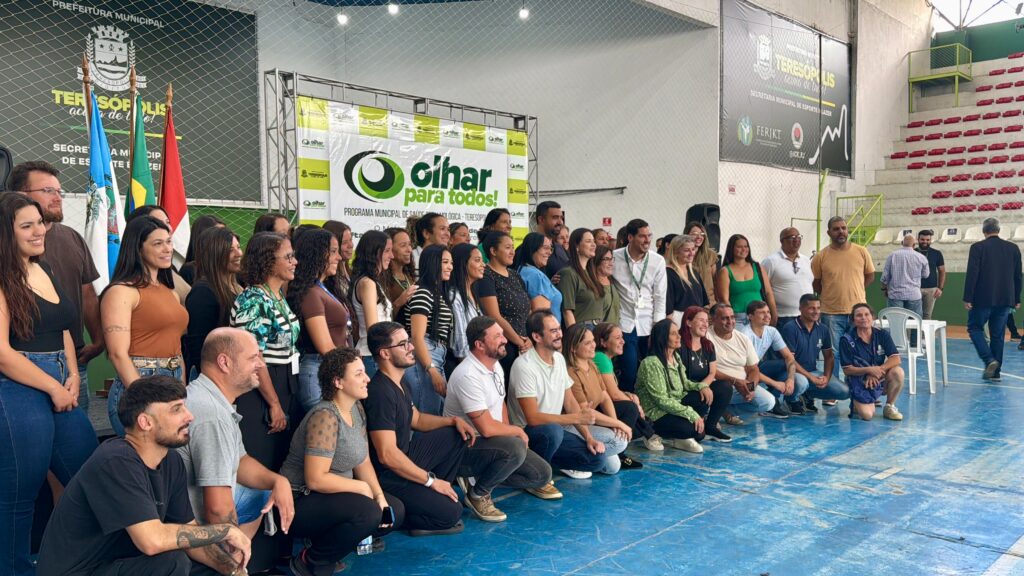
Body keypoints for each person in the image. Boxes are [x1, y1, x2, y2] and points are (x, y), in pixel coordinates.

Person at [37, 376, 252, 576]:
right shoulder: (115, 461)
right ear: (145, 422)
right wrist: (224, 531)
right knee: (172, 562)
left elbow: (190, 536)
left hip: (122, 565)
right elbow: (152, 541)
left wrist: (233, 571)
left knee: (210, 566)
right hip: (81, 571)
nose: (189, 416)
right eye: (176, 409)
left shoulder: (171, 460)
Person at [0, 192, 97, 576]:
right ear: (6, 233)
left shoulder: (46, 268)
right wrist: (54, 387)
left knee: (90, 481)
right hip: (16, 386)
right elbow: (2, 353)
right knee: (18, 497)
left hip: (61, 379)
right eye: (27, 226)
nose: (39, 231)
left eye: (39, 222)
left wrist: (71, 376)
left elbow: (64, 331)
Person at [280, 347, 404, 576]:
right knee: (368, 513)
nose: (367, 378)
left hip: (332, 497)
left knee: (393, 510)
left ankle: (330, 545)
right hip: (299, 501)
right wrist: (361, 487)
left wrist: (379, 496)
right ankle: (311, 560)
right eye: (358, 374)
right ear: (338, 382)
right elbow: (315, 480)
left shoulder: (356, 408)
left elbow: (363, 460)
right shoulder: (325, 416)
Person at [178, 328, 294, 569]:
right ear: (224, 363)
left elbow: (240, 461)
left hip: (199, 511)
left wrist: (277, 481)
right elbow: (217, 510)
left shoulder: (213, 397)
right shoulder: (212, 414)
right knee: (231, 552)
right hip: (189, 523)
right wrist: (231, 564)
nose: (261, 365)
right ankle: (227, 564)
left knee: (261, 493)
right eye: (253, 358)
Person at [363, 321, 474, 535]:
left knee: (455, 433)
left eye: (409, 342)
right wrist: (430, 481)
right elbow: (387, 455)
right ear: (385, 353)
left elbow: (418, 419)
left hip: (404, 458)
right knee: (452, 513)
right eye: (403, 344)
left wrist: (452, 421)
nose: (411, 347)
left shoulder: (399, 382)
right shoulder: (380, 393)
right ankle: (414, 513)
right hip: (388, 476)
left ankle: (435, 493)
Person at [444, 316, 557, 519]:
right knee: (515, 448)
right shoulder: (467, 374)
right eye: (497, 336)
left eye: (502, 334)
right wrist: (516, 432)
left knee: (542, 474)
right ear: (479, 345)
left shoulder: (495, 365)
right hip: (465, 447)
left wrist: (509, 433)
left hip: (492, 442)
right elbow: (486, 428)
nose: (505, 339)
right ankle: (478, 494)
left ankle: (479, 477)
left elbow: (501, 403)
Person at [13, 161, 104, 411]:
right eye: (48, 191)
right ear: (20, 195)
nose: (57, 197)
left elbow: (87, 293)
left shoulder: (72, 238)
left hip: (74, 364)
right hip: (23, 368)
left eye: (58, 191)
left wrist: (98, 340)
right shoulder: (7, 250)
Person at [508, 309, 625, 479]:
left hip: (555, 431)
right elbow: (532, 418)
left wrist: (589, 438)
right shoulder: (524, 366)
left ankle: (547, 463)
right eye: (553, 331)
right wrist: (576, 418)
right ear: (537, 337)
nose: (559, 334)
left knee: (597, 460)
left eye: (559, 329)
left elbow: (570, 402)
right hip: (528, 434)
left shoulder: (559, 359)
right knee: (553, 431)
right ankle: (535, 474)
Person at [102, 216, 188, 437]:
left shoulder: (170, 292)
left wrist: (181, 390)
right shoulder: (121, 291)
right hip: (140, 381)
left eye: (168, 242)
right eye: (158, 243)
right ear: (138, 249)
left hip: (173, 379)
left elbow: (176, 346)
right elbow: (117, 354)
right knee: (142, 455)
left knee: (168, 455)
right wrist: (144, 397)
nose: (167, 249)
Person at [230, 232, 300, 472]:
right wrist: (274, 403)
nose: (294, 262)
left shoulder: (277, 295)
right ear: (268, 261)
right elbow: (254, 358)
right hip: (261, 389)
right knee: (262, 462)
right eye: (288, 257)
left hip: (285, 382)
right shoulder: (253, 300)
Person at [637, 318, 733, 452]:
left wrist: (702, 386)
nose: (679, 336)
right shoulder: (651, 363)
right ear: (662, 338)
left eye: (678, 332)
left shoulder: (675, 357)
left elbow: (685, 383)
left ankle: (707, 427)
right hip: (657, 413)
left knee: (721, 388)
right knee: (696, 432)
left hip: (677, 402)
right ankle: (652, 433)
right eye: (673, 334)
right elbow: (661, 400)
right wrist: (691, 414)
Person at [287, 228, 350, 413]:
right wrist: (351, 367)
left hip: (329, 371)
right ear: (316, 254)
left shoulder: (322, 288)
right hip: (318, 373)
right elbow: (325, 347)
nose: (339, 257)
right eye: (333, 251)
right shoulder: (311, 293)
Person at [564, 324, 643, 469]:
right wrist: (619, 424)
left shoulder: (592, 365)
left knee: (613, 468)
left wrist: (614, 422)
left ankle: (589, 455)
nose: (593, 345)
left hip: (590, 421)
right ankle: (569, 462)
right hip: (574, 425)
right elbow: (584, 413)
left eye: (593, 341)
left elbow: (605, 397)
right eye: (587, 343)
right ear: (573, 348)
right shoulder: (571, 372)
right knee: (619, 442)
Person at [811, 217, 875, 370]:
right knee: (833, 353)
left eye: (843, 228)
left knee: (859, 351)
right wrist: (830, 294)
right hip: (831, 314)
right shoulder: (821, 256)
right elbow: (815, 283)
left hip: (858, 313)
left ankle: (857, 383)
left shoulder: (861, 251)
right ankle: (834, 385)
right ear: (828, 232)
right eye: (836, 229)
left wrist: (857, 290)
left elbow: (870, 276)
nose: (841, 231)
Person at [964, 218, 1023, 381]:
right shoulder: (1013, 248)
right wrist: (1016, 298)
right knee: (998, 335)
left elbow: (972, 273)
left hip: (982, 298)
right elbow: (1018, 276)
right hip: (1005, 298)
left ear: (984, 231)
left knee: (975, 328)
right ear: (999, 230)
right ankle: (996, 373)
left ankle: (989, 360)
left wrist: (968, 297)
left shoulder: (977, 247)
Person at [612, 218, 667, 392]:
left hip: (648, 323)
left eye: (649, 236)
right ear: (630, 237)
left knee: (650, 372)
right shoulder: (614, 257)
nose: (647, 240)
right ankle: (628, 403)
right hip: (624, 323)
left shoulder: (657, 261)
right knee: (629, 371)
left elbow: (660, 296)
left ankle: (646, 405)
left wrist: (657, 328)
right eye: (642, 236)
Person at [592, 322, 664, 451]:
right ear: (603, 342)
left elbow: (611, 391)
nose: (623, 341)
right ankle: (618, 449)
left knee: (638, 419)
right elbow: (614, 395)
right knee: (631, 409)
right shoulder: (601, 357)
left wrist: (628, 395)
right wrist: (636, 406)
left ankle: (646, 432)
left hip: (603, 405)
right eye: (618, 338)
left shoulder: (606, 359)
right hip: (594, 409)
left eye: (622, 337)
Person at [184, 227, 242, 380]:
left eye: (238, 247)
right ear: (214, 254)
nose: (239, 254)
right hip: (216, 378)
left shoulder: (238, 286)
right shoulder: (203, 292)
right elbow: (199, 347)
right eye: (230, 250)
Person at [405, 244, 455, 416]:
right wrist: (431, 369)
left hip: (435, 354)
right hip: (424, 355)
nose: (450, 267)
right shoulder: (423, 292)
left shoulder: (436, 292)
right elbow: (417, 337)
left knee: (437, 412)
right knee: (427, 414)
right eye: (445, 262)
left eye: (451, 263)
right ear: (433, 263)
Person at [475, 230, 531, 380]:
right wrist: (519, 342)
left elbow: (528, 309)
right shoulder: (486, 275)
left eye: (513, 247)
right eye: (507, 247)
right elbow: (494, 315)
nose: (512, 252)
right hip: (504, 345)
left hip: (525, 343)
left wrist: (529, 338)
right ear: (493, 251)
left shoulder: (515, 275)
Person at [780, 294, 851, 413]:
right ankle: (791, 400)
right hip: (790, 373)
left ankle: (806, 396)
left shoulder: (823, 329)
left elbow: (829, 357)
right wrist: (811, 378)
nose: (816, 311)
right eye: (812, 308)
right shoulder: (790, 328)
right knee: (802, 382)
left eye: (818, 308)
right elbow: (790, 360)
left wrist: (826, 377)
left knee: (844, 392)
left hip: (813, 372)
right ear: (801, 309)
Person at [707, 303, 776, 417]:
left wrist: (751, 388)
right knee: (716, 392)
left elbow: (753, 369)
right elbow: (708, 369)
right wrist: (735, 381)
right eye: (724, 318)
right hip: (717, 387)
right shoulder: (706, 337)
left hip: (741, 387)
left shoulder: (743, 338)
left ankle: (725, 412)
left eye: (732, 317)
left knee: (768, 402)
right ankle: (714, 410)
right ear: (713, 320)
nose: (730, 321)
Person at [839, 304, 905, 421]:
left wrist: (877, 371)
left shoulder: (882, 334)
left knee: (898, 372)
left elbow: (896, 358)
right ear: (853, 320)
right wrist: (869, 370)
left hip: (879, 376)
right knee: (867, 415)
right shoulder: (846, 340)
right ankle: (857, 400)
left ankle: (889, 406)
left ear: (873, 317)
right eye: (859, 315)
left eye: (867, 314)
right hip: (858, 378)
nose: (863, 318)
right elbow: (847, 370)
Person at [740, 301, 806, 417]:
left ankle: (774, 402)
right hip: (743, 374)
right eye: (762, 313)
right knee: (749, 396)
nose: (767, 316)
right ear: (750, 316)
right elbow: (748, 369)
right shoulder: (745, 335)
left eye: (768, 312)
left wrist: (790, 379)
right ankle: (732, 410)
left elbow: (789, 357)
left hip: (755, 369)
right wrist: (775, 384)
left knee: (789, 370)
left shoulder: (771, 331)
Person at [676, 307, 733, 439]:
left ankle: (711, 426)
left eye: (707, 321)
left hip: (701, 388)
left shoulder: (708, 345)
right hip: (683, 391)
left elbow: (712, 372)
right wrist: (700, 388)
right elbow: (678, 377)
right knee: (697, 435)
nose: (705, 324)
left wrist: (703, 386)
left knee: (725, 387)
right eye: (701, 320)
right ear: (688, 322)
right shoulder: (679, 345)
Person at [352, 230, 394, 377]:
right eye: (387, 251)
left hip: (376, 354)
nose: (392, 256)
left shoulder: (372, 282)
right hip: (373, 355)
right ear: (374, 253)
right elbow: (373, 328)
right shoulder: (367, 283)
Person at [127, 205, 191, 302]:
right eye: (157, 223)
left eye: (167, 222)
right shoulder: (125, 291)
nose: (167, 228)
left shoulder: (168, 271)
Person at [715, 234, 777, 325]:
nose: (744, 249)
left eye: (746, 246)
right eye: (739, 247)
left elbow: (768, 292)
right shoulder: (725, 271)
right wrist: (731, 319)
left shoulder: (757, 267)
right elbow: (724, 299)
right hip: (738, 318)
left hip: (761, 316)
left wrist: (774, 314)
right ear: (731, 249)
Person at [761, 227, 814, 328]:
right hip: (783, 317)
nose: (796, 240)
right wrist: (772, 314)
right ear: (782, 241)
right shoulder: (771, 261)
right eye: (792, 237)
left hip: (807, 316)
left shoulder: (806, 260)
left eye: (799, 237)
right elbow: (764, 289)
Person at [447, 243, 484, 374]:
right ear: (463, 263)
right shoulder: (454, 296)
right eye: (477, 260)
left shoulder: (473, 293)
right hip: (465, 367)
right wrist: (473, 371)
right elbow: (460, 340)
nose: (483, 265)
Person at [514, 232, 564, 323]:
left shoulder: (524, 270)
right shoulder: (534, 275)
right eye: (545, 248)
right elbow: (542, 317)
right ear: (532, 248)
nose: (549, 252)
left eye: (550, 248)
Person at [558, 228, 601, 328]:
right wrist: (575, 335)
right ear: (576, 246)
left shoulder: (591, 273)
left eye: (594, 241)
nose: (594, 245)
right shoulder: (568, 273)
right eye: (588, 241)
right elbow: (567, 311)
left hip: (598, 329)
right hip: (582, 329)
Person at [881, 235, 930, 317]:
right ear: (914, 245)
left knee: (896, 322)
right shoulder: (921, 257)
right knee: (915, 322)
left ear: (902, 243)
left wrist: (884, 289)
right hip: (914, 295)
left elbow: (885, 277)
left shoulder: (892, 255)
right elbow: (926, 275)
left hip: (895, 295)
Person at [664, 235, 709, 325]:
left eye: (693, 249)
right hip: (678, 320)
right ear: (676, 252)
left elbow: (704, 301)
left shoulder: (694, 272)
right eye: (686, 250)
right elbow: (667, 305)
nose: (691, 253)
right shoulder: (668, 273)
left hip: (697, 319)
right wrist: (671, 326)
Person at [383, 227, 418, 327]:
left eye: (409, 245)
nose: (409, 250)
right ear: (389, 249)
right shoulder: (382, 280)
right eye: (403, 245)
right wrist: (398, 303)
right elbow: (380, 317)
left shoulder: (409, 276)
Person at [178, 215, 225, 285]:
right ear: (203, 240)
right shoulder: (189, 271)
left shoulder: (229, 266)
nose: (227, 240)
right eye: (220, 236)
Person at [686, 221, 719, 307]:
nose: (699, 237)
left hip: (708, 304)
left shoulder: (710, 255)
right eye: (694, 234)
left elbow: (715, 282)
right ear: (686, 235)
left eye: (702, 234)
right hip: (688, 304)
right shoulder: (680, 255)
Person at [534, 201, 569, 278]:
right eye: (555, 217)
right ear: (541, 219)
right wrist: (549, 282)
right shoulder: (527, 249)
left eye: (561, 218)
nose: (560, 222)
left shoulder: (560, 248)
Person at [916, 229, 946, 321]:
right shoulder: (912, 252)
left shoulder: (937, 253)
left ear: (931, 240)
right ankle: (914, 331)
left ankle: (924, 332)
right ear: (918, 239)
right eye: (922, 239)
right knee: (914, 315)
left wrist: (940, 288)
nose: (925, 242)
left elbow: (942, 271)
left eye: (927, 240)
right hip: (914, 288)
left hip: (931, 289)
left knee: (927, 315)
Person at [588, 245, 622, 325]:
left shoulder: (613, 281)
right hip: (597, 330)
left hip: (614, 330)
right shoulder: (589, 284)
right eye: (606, 259)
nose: (611, 263)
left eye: (611, 259)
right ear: (596, 260)